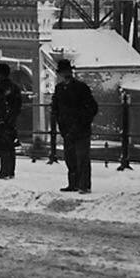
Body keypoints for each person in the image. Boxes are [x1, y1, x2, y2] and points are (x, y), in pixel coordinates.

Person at [52, 59, 98, 194]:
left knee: (82, 157)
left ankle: (84, 185)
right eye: (63, 72)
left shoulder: (81, 87)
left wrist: (82, 121)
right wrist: (60, 121)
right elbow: (56, 107)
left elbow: (92, 108)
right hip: (67, 129)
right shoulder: (59, 88)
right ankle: (74, 183)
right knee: (70, 158)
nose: (65, 74)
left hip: (80, 129)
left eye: (66, 71)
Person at [0, 62, 23, 179]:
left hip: (1, 120)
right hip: (10, 121)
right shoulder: (14, 87)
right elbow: (17, 105)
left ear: (0, 74)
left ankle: (4, 171)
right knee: (9, 147)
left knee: (4, 146)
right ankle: (9, 171)